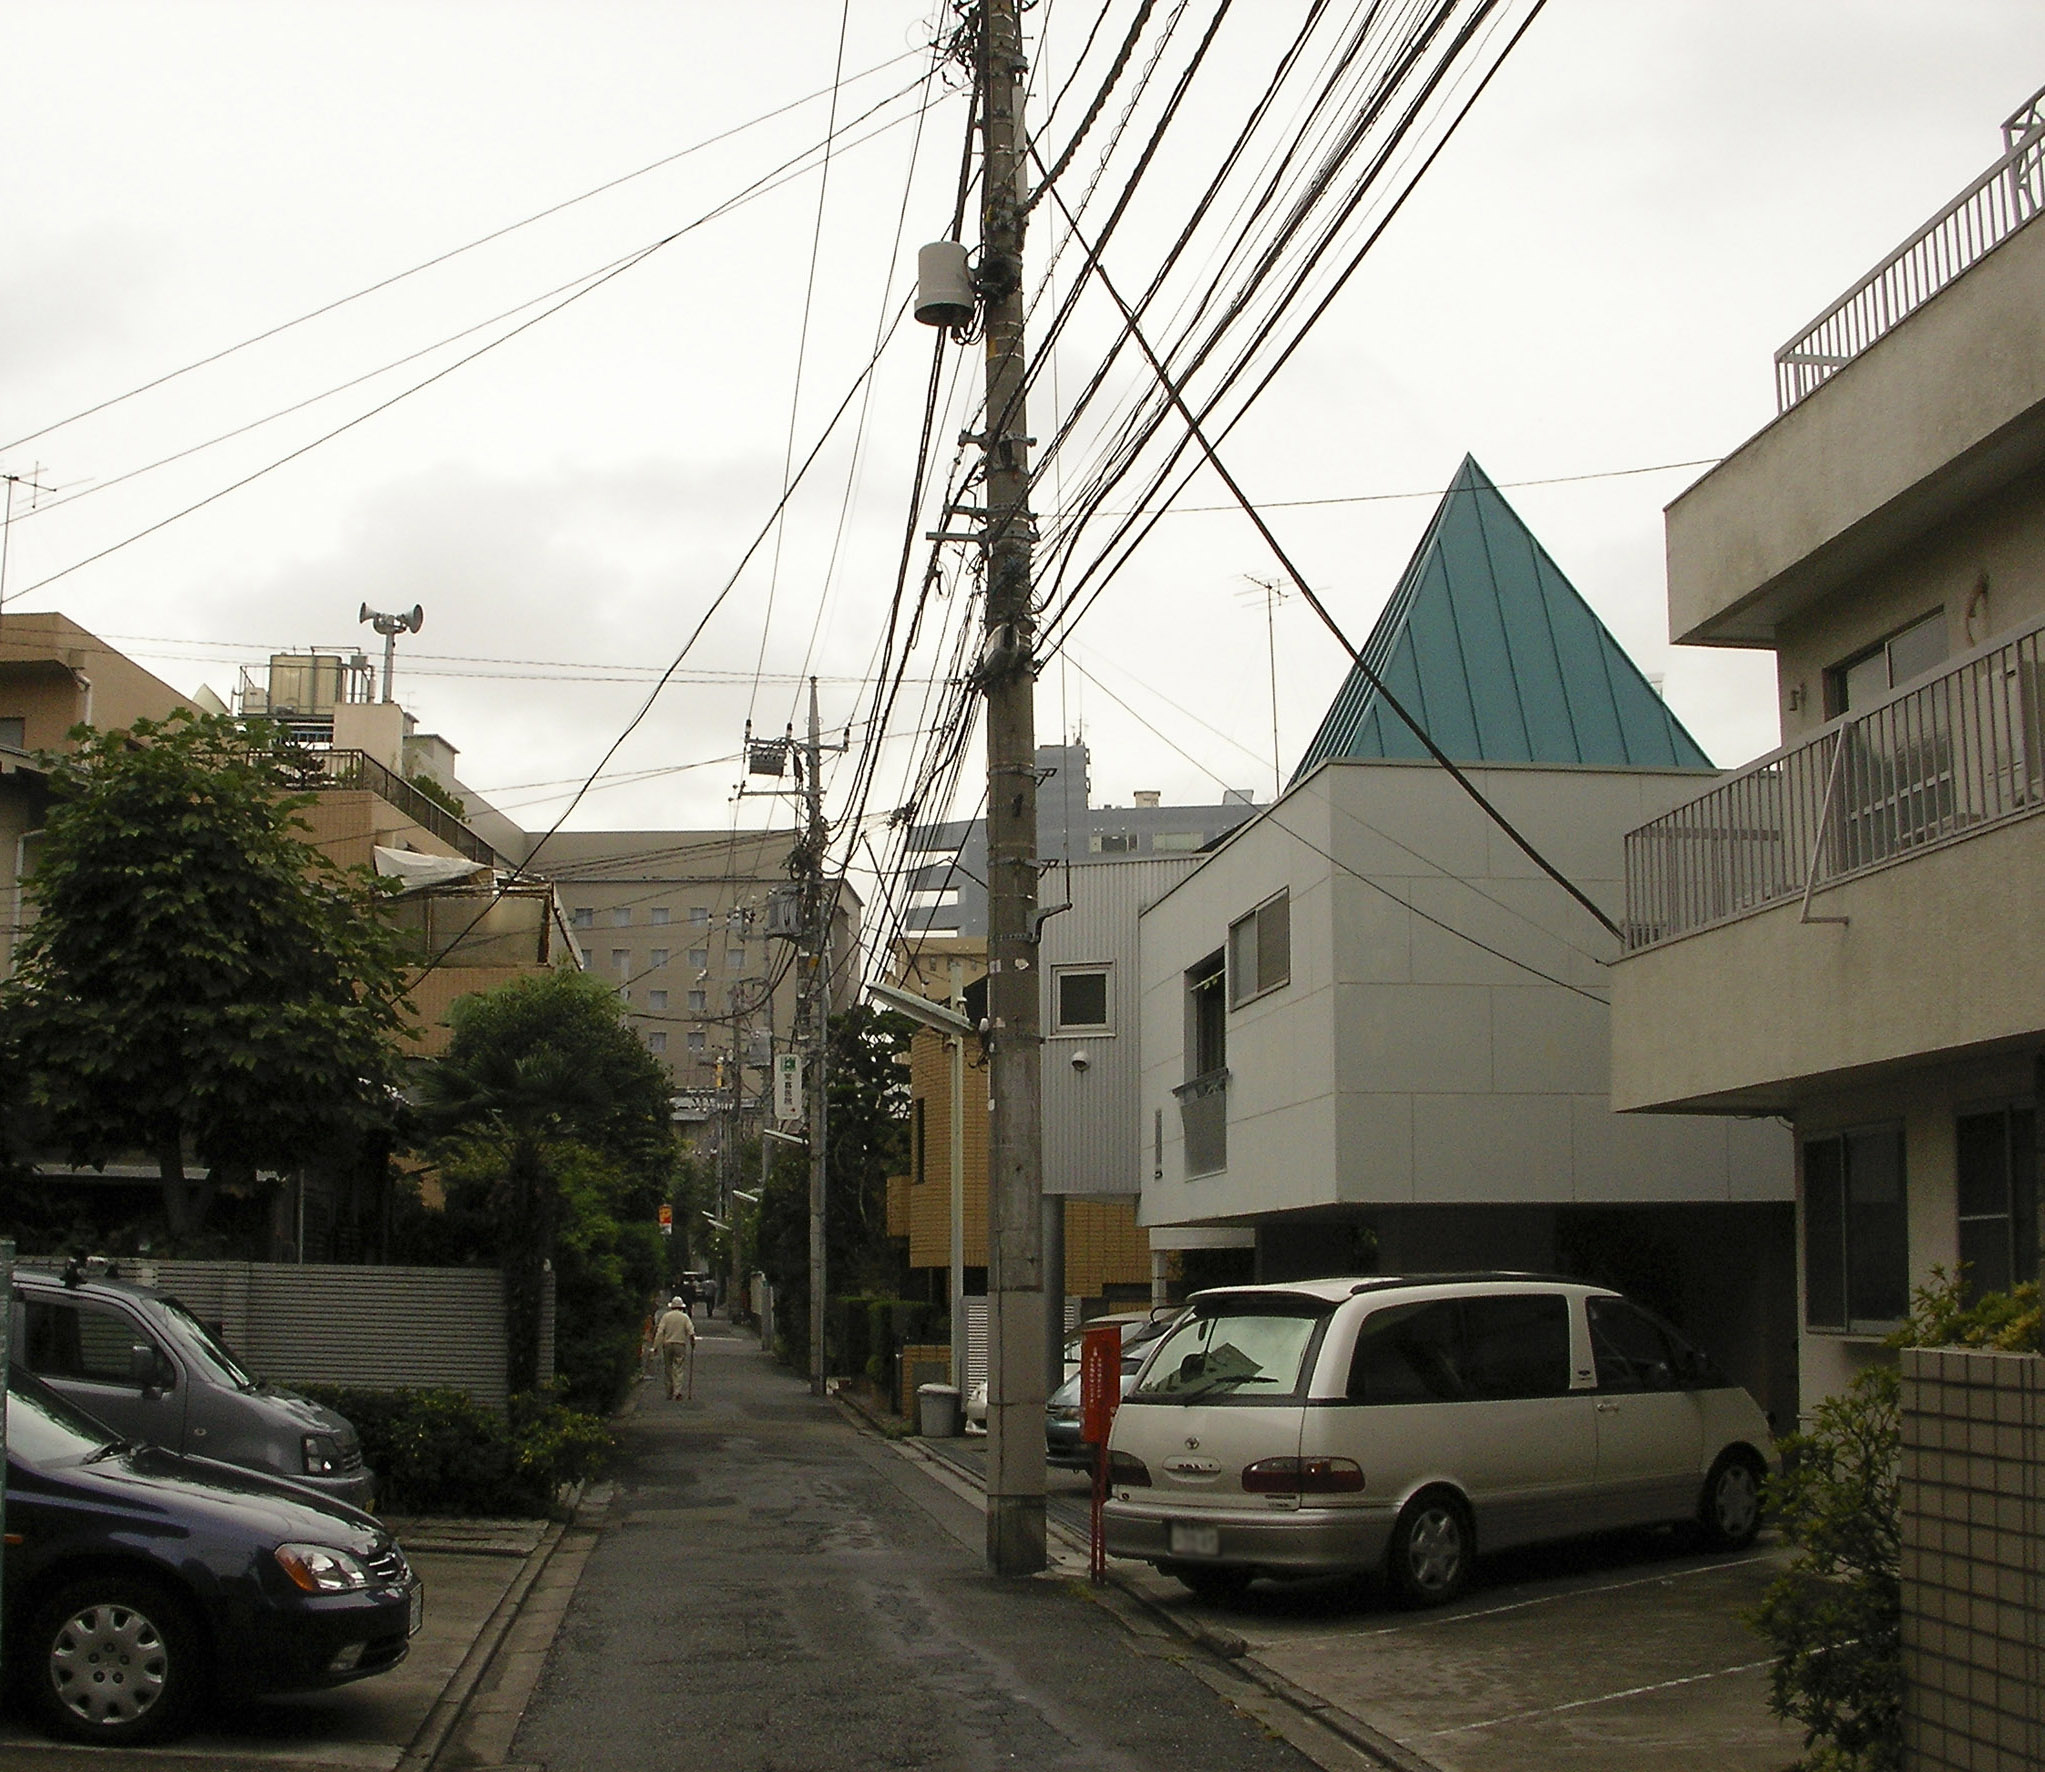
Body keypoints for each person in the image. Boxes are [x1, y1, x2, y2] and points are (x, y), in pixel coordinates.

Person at [652, 1295, 698, 1401]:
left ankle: (669, 1391)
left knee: (668, 1368)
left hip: (667, 1344)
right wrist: (692, 1342)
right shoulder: (684, 1317)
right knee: (678, 1368)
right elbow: (691, 1331)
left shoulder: (666, 1317)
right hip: (680, 1344)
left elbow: (660, 1332)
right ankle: (677, 1392)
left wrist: (655, 1346)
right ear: (681, 1307)